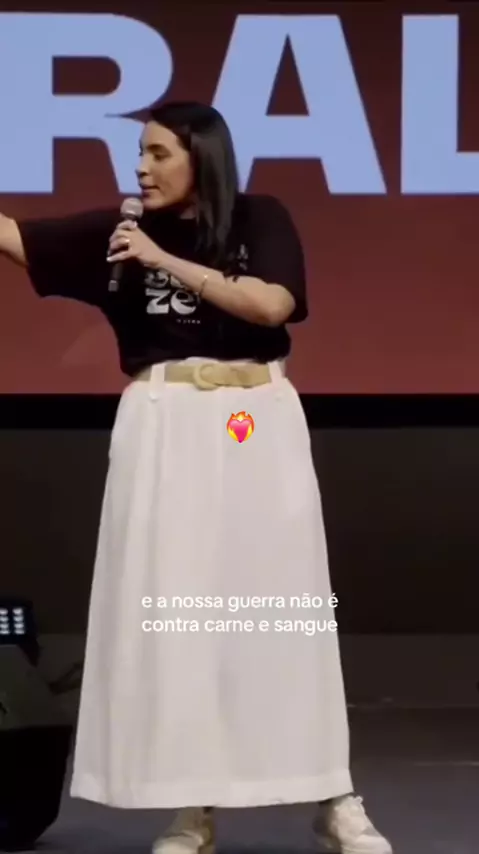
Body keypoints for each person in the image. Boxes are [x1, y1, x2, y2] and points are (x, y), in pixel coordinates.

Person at [0, 101, 393, 854]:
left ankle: (333, 797)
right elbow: (16, 237)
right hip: (164, 417)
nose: (141, 167)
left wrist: (161, 259)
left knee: (283, 606)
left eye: (158, 153)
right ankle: (193, 807)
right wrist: (138, 249)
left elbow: (272, 303)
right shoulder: (116, 233)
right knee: (177, 616)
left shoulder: (257, 218)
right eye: (140, 154)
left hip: (253, 414)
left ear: (201, 157)